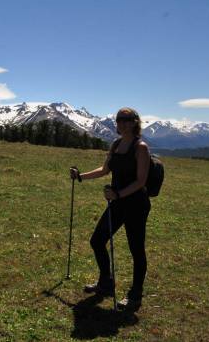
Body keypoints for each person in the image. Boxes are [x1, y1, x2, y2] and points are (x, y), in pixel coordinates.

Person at [69, 107, 151, 311]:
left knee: (136, 249)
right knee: (97, 240)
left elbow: (141, 181)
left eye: (126, 119)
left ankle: (135, 294)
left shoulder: (141, 147)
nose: (122, 123)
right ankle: (106, 282)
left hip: (136, 204)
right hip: (117, 203)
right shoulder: (115, 144)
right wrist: (81, 176)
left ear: (135, 122)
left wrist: (118, 194)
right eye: (119, 120)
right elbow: (105, 170)